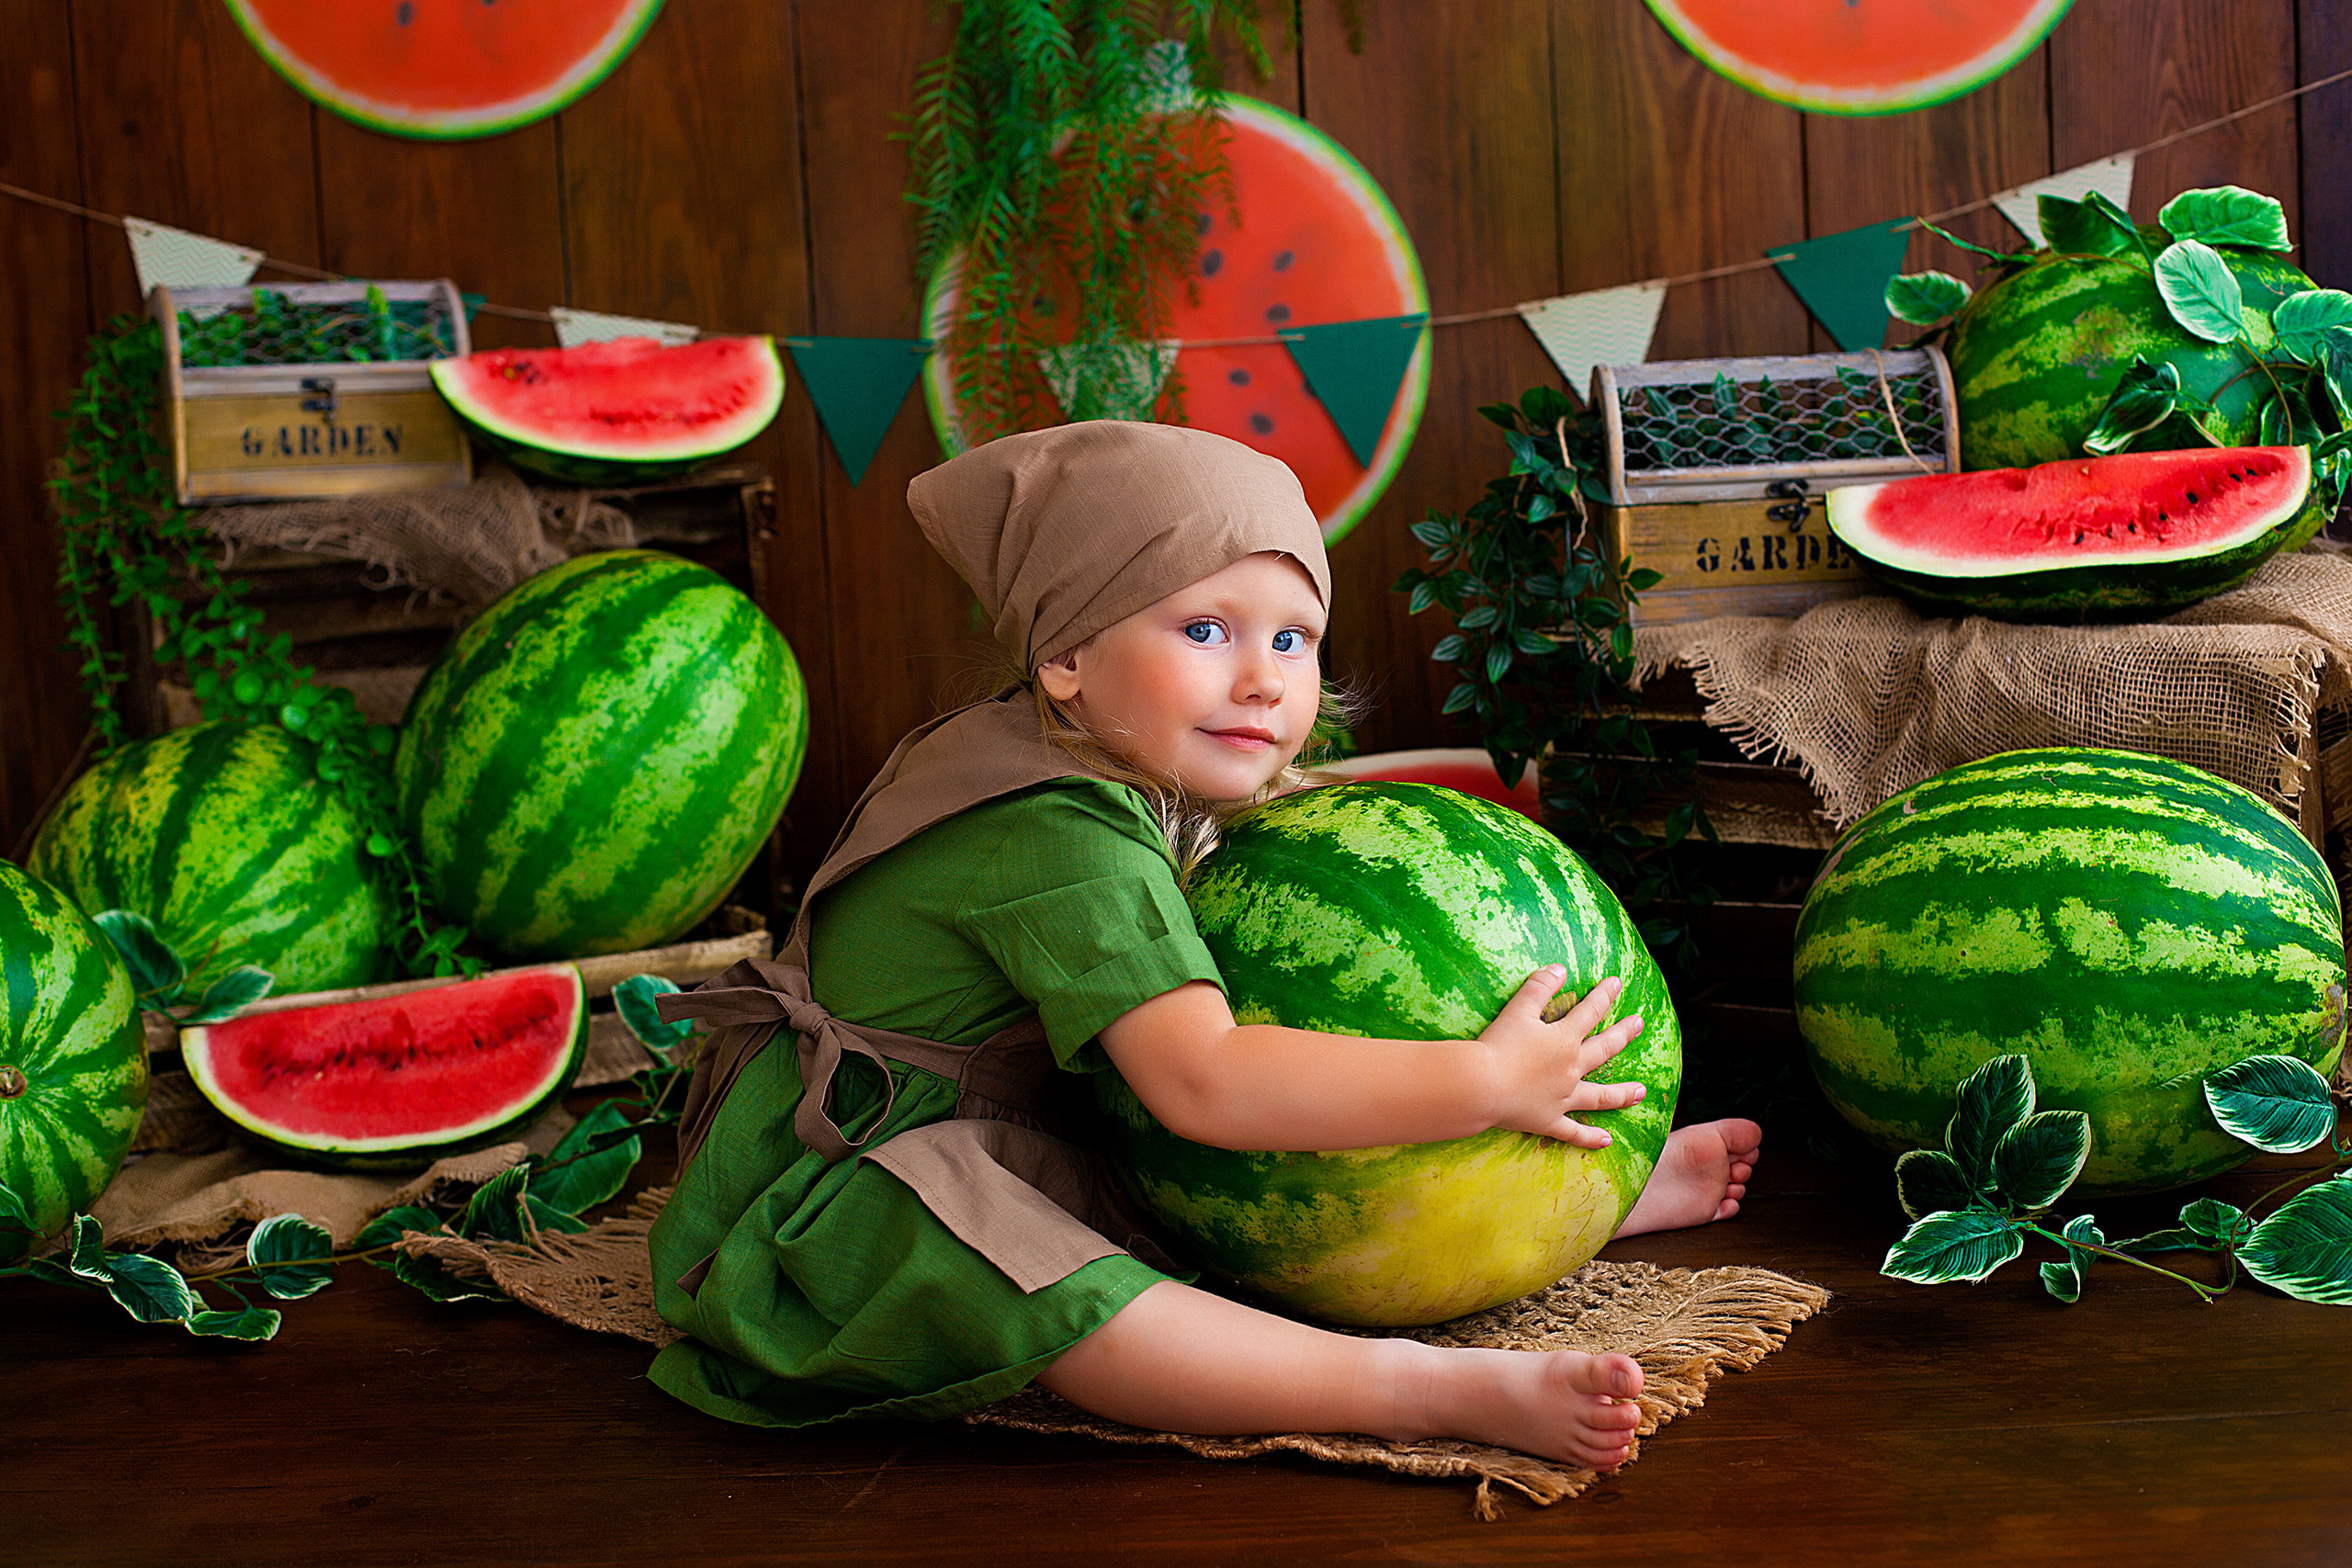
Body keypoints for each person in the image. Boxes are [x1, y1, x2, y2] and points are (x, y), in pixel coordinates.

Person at [645, 422, 1762, 1472]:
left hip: (1006, 1122)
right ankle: (1405, 1389)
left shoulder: (1094, 754)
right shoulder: (1055, 830)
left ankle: (1577, 1205)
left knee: (1195, 1195)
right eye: (1205, 630)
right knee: (1066, 1293)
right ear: (1066, 658)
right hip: (844, 1190)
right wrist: (1480, 1079)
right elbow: (1206, 1084)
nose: (1264, 677)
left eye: (1292, 638)